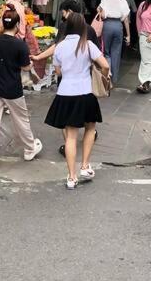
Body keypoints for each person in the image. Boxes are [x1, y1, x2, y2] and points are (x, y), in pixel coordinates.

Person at [45, 13, 110, 189]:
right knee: (90, 128)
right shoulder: (87, 45)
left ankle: (71, 177)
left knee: (71, 136)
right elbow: (105, 65)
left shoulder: (59, 47)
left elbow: (58, 72)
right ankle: (85, 166)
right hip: (85, 92)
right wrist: (103, 77)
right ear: (82, 27)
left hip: (65, 93)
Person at [0, 10, 43, 173]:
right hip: (12, 88)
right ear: (17, 25)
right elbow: (25, 67)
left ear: (3, 23)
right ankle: (29, 148)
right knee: (21, 120)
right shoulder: (19, 44)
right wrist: (30, 63)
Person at [97, 0, 131, 83]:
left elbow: (100, 11)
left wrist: (101, 12)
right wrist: (128, 35)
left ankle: (107, 76)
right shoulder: (123, 1)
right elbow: (126, 19)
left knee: (106, 52)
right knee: (116, 53)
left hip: (107, 25)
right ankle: (114, 79)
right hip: (118, 25)